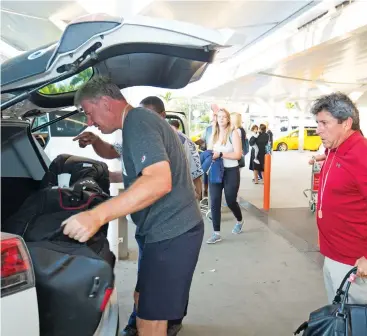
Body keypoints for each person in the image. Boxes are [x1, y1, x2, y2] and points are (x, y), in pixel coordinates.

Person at [63, 76, 204, 336]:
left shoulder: (139, 121)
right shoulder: (132, 126)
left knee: (150, 322)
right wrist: (97, 154)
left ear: (105, 102)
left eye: (89, 113)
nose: (89, 122)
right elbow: (129, 168)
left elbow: (158, 181)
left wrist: (97, 216)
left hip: (171, 233)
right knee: (142, 300)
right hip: (160, 233)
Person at [310, 92, 367, 304]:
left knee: (356, 325)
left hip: (356, 264)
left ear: (346, 123)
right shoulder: (336, 150)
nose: (318, 130)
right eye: (317, 123)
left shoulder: (364, 156)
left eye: (324, 123)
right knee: (339, 321)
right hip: (335, 255)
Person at [206, 108, 244, 244]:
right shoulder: (213, 133)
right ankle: (216, 233)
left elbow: (238, 155)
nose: (221, 119)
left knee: (230, 200)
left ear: (228, 119)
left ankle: (239, 220)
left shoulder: (233, 133)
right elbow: (210, 151)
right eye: (219, 116)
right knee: (215, 201)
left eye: (224, 117)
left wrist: (221, 154)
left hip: (231, 171)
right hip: (216, 170)